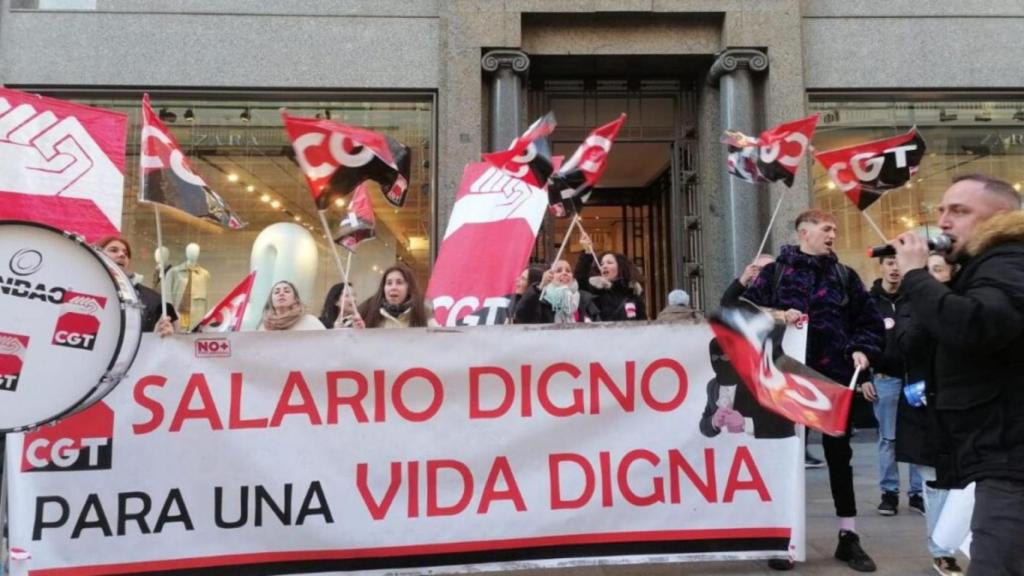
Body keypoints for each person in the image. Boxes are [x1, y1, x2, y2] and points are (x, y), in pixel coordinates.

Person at [891, 173, 1024, 575]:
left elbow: (976, 325)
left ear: (999, 217)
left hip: (1011, 456)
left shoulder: (1009, 260)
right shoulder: (987, 265)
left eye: (960, 211)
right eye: (942, 210)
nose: (944, 221)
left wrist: (916, 277)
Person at [742, 208, 884, 572]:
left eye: (834, 229)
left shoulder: (844, 275)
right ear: (803, 233)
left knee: (840, 457)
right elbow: (744, 313)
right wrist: (777, 315)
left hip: (833, 380)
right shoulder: (775, 274)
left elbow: (868, 321)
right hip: (783, 380)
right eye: (826, 228)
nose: (832, 234)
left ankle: (848, 536)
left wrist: (862, 349)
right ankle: (783, 537)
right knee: (785, 457)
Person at [894, 252, 964, 576]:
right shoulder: (911, 306)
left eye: (940, 270)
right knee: (935, 482)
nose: (934, 276)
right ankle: (941, 551)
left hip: (964, 409)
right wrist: (930, 308)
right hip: (924, 409)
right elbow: (904, 345)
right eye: (929, 270)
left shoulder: (967, 305)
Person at [865, 255, 924, 517]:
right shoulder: (870, 303)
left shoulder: (916, 299)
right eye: (889, 262)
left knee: (917, 434)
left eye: (899, 262)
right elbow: (860, 340)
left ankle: (917, 493)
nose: (895, 268)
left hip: (915, 379)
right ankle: (889, 493)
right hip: (885, 379)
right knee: (888, 439)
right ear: (881, 267)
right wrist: (865, 379)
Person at [96, 236, 176, 337]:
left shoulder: (152, 299)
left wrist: (158, 335)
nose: (122, 255)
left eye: (126, 253)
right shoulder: (81, 288)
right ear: (96, 254)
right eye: (113, 250)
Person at [577, 233, 647, 321]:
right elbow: (581, 279)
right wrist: (587, 252)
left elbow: (642, 323)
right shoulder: (596, 291)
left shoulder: (633, 294)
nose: (604, 266)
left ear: (621, 268)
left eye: (609, 263)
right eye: (602, 264)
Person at [514, 259, 600, 324]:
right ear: (549, 277)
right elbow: (523, 318)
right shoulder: (540, 299)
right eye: (559, 271)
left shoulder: (584, 299)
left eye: (568, 271)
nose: (564, 273)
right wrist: (540, 286)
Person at [359, 264, 429, 328]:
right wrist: (360, 331)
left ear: (409, 287)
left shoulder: (423, 311)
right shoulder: (369, 309)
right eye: (389, 283)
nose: (393, 287)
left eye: (399, 283)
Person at [258, 280, 325, 331]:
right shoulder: (264, 325)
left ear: (295, 299)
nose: (281, 293)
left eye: (287, 291)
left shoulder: (310, 321)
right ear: (271, 301)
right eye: (276, 292)